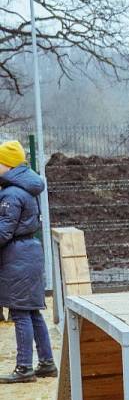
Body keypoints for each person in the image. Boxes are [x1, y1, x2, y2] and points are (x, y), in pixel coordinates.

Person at [0, 140, 57, 384]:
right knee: (32, 311)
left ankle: (24, 367)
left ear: (8, 165)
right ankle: (46, 362)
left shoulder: (12, 194)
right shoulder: (26, 189)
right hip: (28, 253)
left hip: (18, 257)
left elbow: (4, 231)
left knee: (20, 312)